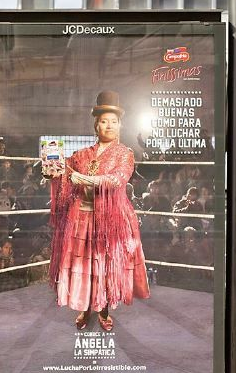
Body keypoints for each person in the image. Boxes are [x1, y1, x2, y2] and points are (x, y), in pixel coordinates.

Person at [47, 90, 150, 332]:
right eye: (104, 121)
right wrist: (52, 172)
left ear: (120, 125)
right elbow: (62, 173)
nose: (109, 126)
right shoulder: (82, 155)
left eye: (113, 122)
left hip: (109, 220)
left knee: (103, 265)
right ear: (96, 125)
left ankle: (103, 310)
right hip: (81, 218)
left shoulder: (125, 154)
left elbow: (118, 180)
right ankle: (84, 308)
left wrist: (82, 178)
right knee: (83, 266)